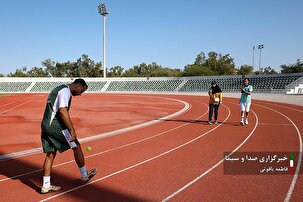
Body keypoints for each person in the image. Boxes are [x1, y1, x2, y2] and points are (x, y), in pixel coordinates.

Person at [40, 78, 97, 194]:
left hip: (45, 124)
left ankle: (46, 185)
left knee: (50, 153)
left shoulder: (57, 89)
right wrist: (72, 130)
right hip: (55, 125)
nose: (80, 94)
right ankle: (84, 175)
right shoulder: (65, 91)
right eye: (82, 90)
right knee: (76, 146)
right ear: (78, 85)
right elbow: (62, 111)